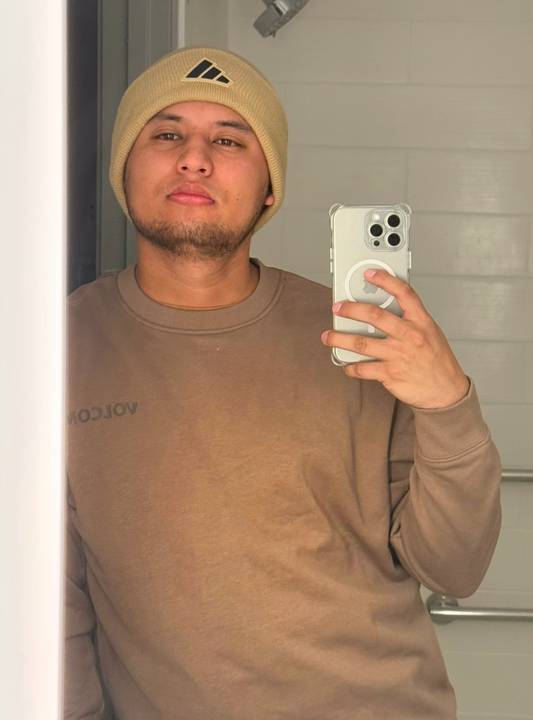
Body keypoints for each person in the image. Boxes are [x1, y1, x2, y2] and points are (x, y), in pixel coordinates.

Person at [64, 46, 502, 720]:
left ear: (270, 188)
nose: (194, 159)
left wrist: (448, 404)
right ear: (124, 172)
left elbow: (455, 568)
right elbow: (48, 598)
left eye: (229, 140)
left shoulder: (360, 337)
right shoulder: (58, 346)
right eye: (167, 134)